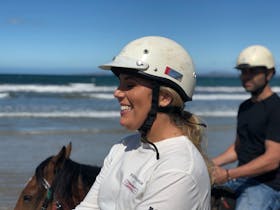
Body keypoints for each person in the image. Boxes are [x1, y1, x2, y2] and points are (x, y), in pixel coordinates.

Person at [74, 36, 211, 210]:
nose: (117, 93)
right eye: (119, 83)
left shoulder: (179, 169)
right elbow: (88, 207)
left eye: (129, 85)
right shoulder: (123, 147)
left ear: (164, 98)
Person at [212, 45, 280, 210]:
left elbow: (273, 159)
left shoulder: (276, 109)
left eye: (253, 71)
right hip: (242, 178)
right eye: (243, 71)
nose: (246, 77)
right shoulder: (245, 107)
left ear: (269, 74)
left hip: (267, 185)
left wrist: (228, 174)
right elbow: (238, 148)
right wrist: (210, 163)